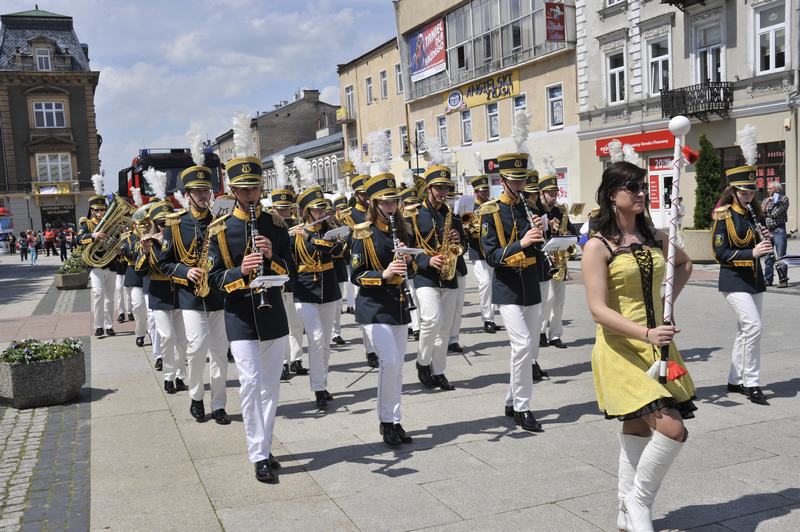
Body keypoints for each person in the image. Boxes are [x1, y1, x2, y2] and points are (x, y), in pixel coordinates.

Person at [582, 161, 696, 532]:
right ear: (611, 194)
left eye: (643, 186)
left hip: (658, 347)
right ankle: (638, 501)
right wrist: (646, 332)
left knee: (637, 427)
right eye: (632, 187)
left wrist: (666, 307)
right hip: (620, 349)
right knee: (672, 428)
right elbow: (597, 310)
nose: (641, 193)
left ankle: (624, 508)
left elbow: (684, 264)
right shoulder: (597, 246)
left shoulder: (657, 237)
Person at [207, 155, 293, 484]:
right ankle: (258, 455)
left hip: (273, 314)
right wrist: (240, 271)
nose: (250, 195)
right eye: (243, 190)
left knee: (270, 386)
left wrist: (272, 256)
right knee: (250, 383)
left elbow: (293, 272)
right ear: (232, 190)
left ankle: (265, 446)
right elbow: (213, 280)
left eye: (254, 189)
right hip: (240, 315)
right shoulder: (220, 230)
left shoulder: (276, 224)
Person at [158, 165, 230, 424]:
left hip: (218, 294)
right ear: (187, 194)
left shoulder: (221, 220)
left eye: (206, 190)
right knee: (197, 348)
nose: (202, 195)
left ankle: (219, 404)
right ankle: (196, 397)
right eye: (197, 191)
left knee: (220, 351)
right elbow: (164, 263)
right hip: (191, 296)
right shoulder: (176, 223)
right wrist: (185, 271)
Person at [479, 152, 546, 432]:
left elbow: (537, 248)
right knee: (521, 345)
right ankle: (522, 407)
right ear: (502, 180)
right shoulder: (491, 212)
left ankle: (510, 400)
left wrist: (544, 234)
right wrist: (522, 243)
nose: (520, 187)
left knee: (528, 348)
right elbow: (492, 255)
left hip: (530, 282)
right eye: (515, 181)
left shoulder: (527, 207)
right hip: (506, 286)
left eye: (522, 181)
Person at [351, 173, 415, 446]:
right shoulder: (362, 233)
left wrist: (410, 260)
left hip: (398, 305)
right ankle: (386, 421)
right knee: (389, 361)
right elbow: (356, 275)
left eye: (394, 202)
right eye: (385, 202)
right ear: (374, 203)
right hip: (373, 306)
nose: (391, 207)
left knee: (397, 366)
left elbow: (412, 270)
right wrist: (384, 274)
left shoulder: (402, 229)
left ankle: (395, 420)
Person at [714, 165, 771, 406]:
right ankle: (751, 382)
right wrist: (752, 252)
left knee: (744, 330)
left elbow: (756, 244)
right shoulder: (724, 216)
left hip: (754, 278)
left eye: (751, 192)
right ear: (733, 191)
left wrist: (765, 239)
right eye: (744, 192)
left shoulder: (753, 214)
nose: (748, 196)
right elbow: (720, 253)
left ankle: (735, 379)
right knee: (754, 326)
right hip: (733, 279)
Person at [408, 164, 464, 391]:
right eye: (439, 188)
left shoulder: (451, 214)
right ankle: (423, 362)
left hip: (448, 274)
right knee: (431, 320)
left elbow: (463, 246)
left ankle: (439, 371)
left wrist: (458, 238)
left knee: (445, 327)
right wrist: (427, 261)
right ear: (429, 188)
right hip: (425, 275)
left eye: (446, 188)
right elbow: (406, 250)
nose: (443, 192)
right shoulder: (413, 215)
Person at [290, 185, 343, 410]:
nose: (321, 213)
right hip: (305, 290)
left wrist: (310, 236)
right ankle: (318, 388)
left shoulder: (331, 230)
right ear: (306, 212)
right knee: (317, 338)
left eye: (322, 208)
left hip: (328, 288)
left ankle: (322, 382)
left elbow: (335, 251)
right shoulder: (295, 234)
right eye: (316, 209)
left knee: (326, 342)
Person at [135, 199, 187, 394]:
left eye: (167, 222)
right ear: (154, 224)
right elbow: (140, 270)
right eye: (160, 223)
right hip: (159, 294)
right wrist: (146, 251)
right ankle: (168, 376)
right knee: (166, 336)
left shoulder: (179, 240)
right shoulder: (148, 242)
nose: (164, 226)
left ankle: (181, 376)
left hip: (179, 293)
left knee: (182, 340)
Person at [338, 173, 380, 368]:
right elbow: (346, 241)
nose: (366, 197)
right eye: (363, 194)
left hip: (380, 264)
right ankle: (371, 350)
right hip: (360, 265)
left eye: (368, 193)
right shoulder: (348, 216)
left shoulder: (378, 211)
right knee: (366, 310)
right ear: (355, 194)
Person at [270, 189, 308, 380]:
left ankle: (296, 359)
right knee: (281, 325)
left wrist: (300, 236)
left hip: (293, 280)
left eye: (286, 209)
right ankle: (283, 362)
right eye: (280, 209)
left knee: (296, 324)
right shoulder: (270, 226)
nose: (284, 213)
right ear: (273, 208)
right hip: (277, 280)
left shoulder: (298, 226)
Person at [539, 172, 574, 349]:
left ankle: (555, 335)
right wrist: (549, 228)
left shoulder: (560, 211)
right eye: (551, 193)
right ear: (542, 193)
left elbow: (571, 231)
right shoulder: (537, 210)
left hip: (560, 261)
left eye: (555, 193)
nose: (554, 197)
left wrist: (567, 236)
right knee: (547, 299)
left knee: (559, 301)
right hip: (544, 260)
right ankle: (540, 332)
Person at [524, 170, 550, 381]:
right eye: (529, 194)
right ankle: (529, 362)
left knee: (538, 317)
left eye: (534, 194)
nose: (532, 198)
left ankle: (533, 360)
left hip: (541, 265)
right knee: (529, 322)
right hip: (526, 267)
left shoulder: (539, 210)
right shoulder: (522, 210)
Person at [78, 197, 117, 336]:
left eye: (103, 210)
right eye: (97, 210)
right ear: (92, 211)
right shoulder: (87, 225)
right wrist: (92, 236)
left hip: (110, 264)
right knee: (98, 294)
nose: (100, 212)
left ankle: (109, 325)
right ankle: (99, 326)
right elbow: (78, 240)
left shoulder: (110, 224)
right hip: (95, 266)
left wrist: (116, 244)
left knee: (110, 298)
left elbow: (118, 239)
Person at [466, 172, 499, 334]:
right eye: (482, 191)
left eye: (487, 190)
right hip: (478, 252)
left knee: (493, 284)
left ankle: (491, 317)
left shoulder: (492, 206)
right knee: (485, 283)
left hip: (493, 251)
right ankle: (487, 319)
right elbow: (467, 231)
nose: (486, 193)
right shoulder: (470, 208)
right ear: (476, 192)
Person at [761, 181, 789, 288]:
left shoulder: (783, 199)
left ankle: (783, 279)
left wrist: (766, 212)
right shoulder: (766, 199)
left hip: (779, 230)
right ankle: (768, 279)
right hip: (768, 231)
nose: (768, 190)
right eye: (768, 188)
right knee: (768, 256)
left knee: (781, 256)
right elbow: (761, 212)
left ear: (777, 189)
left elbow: (775, 213)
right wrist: (766, 203)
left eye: (770, 188)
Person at [330, 196, 350, 346]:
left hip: (338, 265)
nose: (328, 215)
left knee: (337, 304)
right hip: (324, 268)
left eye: (329, 212)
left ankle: (336, 333)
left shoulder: (340, 225)